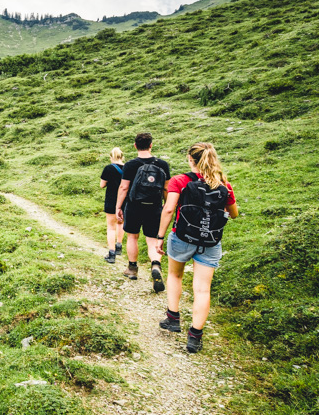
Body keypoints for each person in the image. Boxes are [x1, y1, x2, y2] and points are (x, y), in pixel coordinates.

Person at [157, 142, 238, 353]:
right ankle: (195, 337)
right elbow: (234, 213)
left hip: (182, 237)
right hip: (211, 242)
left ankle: (173, 319)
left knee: (175, 276)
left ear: (190, 159)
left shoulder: (180, 181)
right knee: (202, 289)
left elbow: (168, 210)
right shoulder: (223, 184)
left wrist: (159, 237)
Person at [115, 132, 171, 291]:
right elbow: (166, 188)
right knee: (152, 240)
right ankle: (156, 265)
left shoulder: (130, 165)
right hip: (154, 207)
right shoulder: (162, 164)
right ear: (151, 145)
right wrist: (166, 206)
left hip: (134, 206)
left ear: (135, 146)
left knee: (132, 237)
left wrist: (118, 206)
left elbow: (124, 187)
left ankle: (132, 269)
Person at [100, 147, 126, 264]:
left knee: (111, 227)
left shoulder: (108, 168)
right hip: (125, 200)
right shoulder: (128, 168)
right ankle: (119, 245)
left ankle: (111, 253)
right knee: (121, 223)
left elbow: (102, 185)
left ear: (111, 157)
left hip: (111, 200)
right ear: (122, 156)